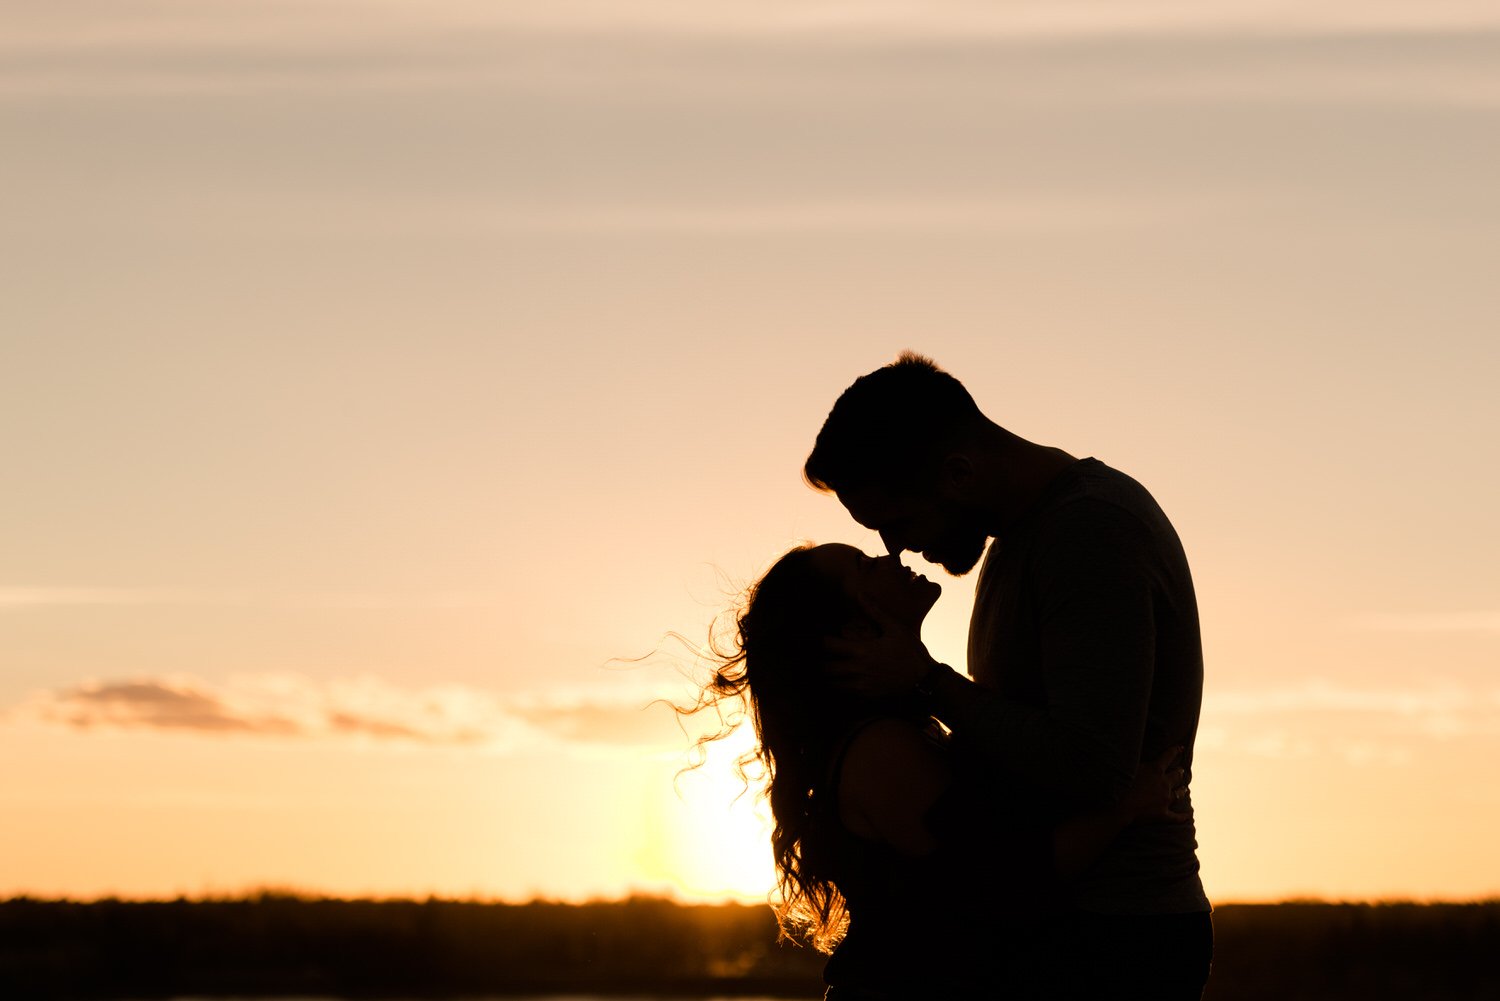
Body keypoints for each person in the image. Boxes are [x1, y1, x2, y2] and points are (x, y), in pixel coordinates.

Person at [804, 352, 1213, 998]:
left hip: (1116, 938)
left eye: (898, 522)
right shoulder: (1025, 540)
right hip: (1067, 922)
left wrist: (926, 683)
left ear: (958, 472)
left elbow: (1094, 765)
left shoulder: (1088, 533)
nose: (896, 548)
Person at [692, 541, 1190, 998]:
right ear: (855, 629)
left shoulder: (896, 728)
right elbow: (1006, 881)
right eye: (866, 565)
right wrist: (1124, 809)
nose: (891, 556)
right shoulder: (881, 752)